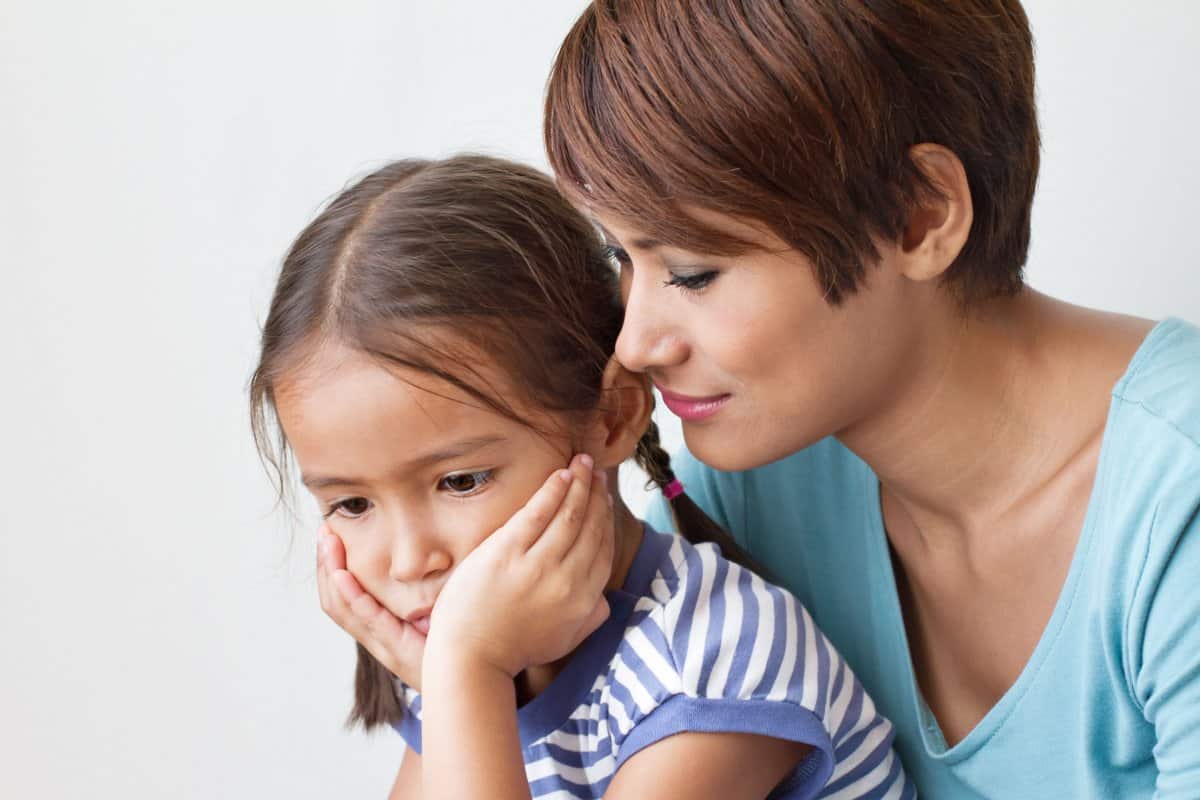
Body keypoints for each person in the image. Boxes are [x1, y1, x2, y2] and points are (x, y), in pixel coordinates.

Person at [542, 1, 1200, 797]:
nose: (636, 343)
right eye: (623, 256)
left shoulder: (1175, 508)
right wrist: (462, 673)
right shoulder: (749, 496)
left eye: (692, 271)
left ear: (921, 217)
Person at [249, 155, 912, 799]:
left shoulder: (718, 662)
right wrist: (462, 678)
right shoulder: (473, 662)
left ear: (615, 416)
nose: (409, 559)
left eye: (460, 481)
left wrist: (466, 675)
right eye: (353, 503)